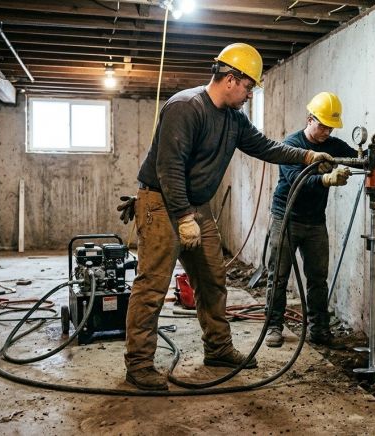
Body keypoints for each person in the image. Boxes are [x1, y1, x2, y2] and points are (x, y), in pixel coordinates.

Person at [118, 43, 335, 391]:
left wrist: (308, 157)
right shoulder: (185, 107)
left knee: (212, 280)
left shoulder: (234, 119)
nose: (250, 93)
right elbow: (169, 168)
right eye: (249, 86)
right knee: (152, 286)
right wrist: (184, 216)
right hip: (161, 203)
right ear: (231, 79)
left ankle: (217, 349)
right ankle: (139, 366)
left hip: (196, 206)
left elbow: (267, 147)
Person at [264, 92, 356, 349]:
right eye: (323, 125)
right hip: (286, 217)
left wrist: (372, 152)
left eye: (330, 126)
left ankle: (319, 329)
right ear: (309, 119)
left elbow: (357, 159)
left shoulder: (333, 145)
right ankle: (273, 327)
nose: (327, 131)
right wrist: (326, 179)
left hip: (315, 221)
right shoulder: (291, 145)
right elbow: (296, 180)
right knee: (278, 276)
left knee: (317, 277)